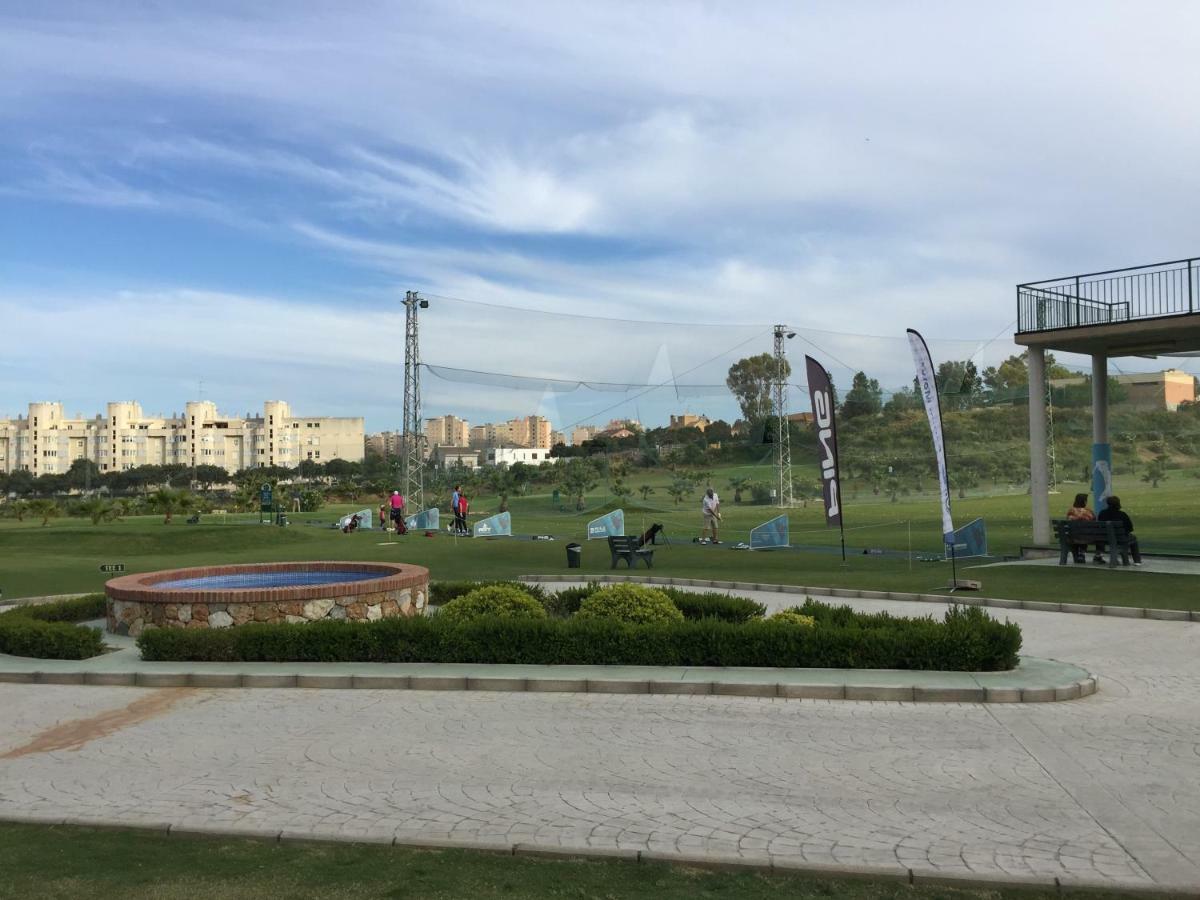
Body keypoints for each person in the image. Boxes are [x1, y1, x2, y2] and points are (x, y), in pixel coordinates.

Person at [1097, 495, 1142, 565]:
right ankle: (1137, 561)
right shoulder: (1122, 515)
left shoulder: (1102, 513)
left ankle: (1098, 555)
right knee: (1134, 538)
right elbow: (1130, 528)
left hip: (1104, 538)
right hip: (1120, 538)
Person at [1065, 492, 1096, 564]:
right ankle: (1082, 553)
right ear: (1084, 501)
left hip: (1072, 536)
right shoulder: (1088, 512)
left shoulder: (1071, 511)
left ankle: (1076, 556)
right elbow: (1094, 521)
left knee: (1075, 536)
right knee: (1084, 534)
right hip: (1086, 536)